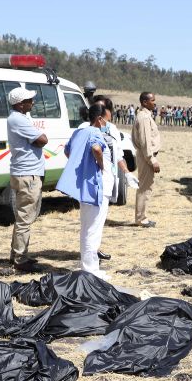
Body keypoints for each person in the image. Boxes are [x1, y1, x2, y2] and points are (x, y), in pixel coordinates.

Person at [56, 103, 114, 281]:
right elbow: (96, 149)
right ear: (99, 119)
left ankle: (89, 266)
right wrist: (99, 165)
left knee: (87, 226)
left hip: (85, 185)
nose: (107, 123)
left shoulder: (79, 132)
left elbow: (68, 151)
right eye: (107, 120)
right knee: (93, 228)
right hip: (97, 186)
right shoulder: (95, 133)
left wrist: (82, 166)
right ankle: (91, 270)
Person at [78, 96, 140, 260]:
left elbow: (118, 154)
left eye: (103, 109)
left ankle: (93, 253)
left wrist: (126, 172)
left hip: (106, 181)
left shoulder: (111, 129)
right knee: (91, 223)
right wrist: (97, 166)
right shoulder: (85, 128)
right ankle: (90, 260)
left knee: (96, 222)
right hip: (92, 181)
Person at [6, 87, 48, 272]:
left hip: (23, 173)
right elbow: (43, 139)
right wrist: (37, 136)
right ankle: (20, 259)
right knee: (25, 219)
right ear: (20, 104)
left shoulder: (19, 118)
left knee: (22, 217)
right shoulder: (18, 120)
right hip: (27, 175)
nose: (33, 102)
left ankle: (17, 255)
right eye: (29, 100)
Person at [131, 91, 162, 227]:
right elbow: (145, 142)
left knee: (145, 187)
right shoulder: (143, 118)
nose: (154, 102)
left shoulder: (145, 116)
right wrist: (152, 160)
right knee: (144, 188)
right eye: (152, 100)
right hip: (146, 156)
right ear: (144, 102)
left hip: (145, 155)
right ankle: (141, 218)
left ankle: (142, 216)